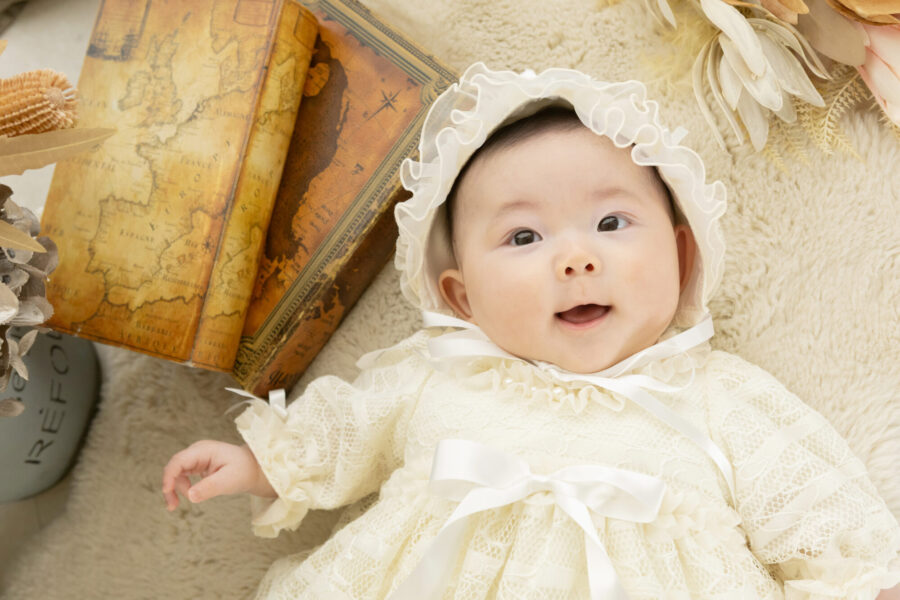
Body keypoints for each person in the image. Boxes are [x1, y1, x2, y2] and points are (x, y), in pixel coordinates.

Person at [162, 63, 900, 599]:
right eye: (523, 237)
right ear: (462, 298)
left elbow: (809, 501)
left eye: (611, 222)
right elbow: (350, 430)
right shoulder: (440, 374)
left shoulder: (714, 396)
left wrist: (863, 582)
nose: (576, 258)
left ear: (681, 255)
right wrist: (262, 464)